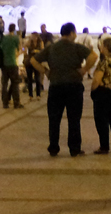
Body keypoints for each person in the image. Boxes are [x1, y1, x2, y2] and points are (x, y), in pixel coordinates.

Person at [31, 22, 97, 157]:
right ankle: (74, 148)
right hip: (74, 86)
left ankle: (54, 147)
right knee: (74, 119)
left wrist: (46, 72)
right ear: (72, 33)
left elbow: (33, 60)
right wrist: (84, 69)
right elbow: (94, 56)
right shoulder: (77, 47)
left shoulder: (52, 48)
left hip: (56, 86)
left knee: (54, 119)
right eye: (75, 33)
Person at [0, 23, 24, 109]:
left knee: (4, 84)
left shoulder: (4, 38)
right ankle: (16, 103)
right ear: (14, 29)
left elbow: (0, 49)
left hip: (4, 64)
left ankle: (5, 103)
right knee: (15, 83)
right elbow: (20, 49)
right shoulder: (15, 38)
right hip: (13, 63)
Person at [24, 32, 44, 100]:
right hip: (29, 62)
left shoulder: (40, 42)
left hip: (37, 62)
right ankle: (30, 95)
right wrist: (24, 50)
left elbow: (43, 50)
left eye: (34, 36)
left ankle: (38, 94)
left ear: (37, 37)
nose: (33, 38)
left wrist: (37, 51)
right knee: (29, 79)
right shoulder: (29, 42)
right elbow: (24, 47)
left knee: (37, 78)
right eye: (32, 36)